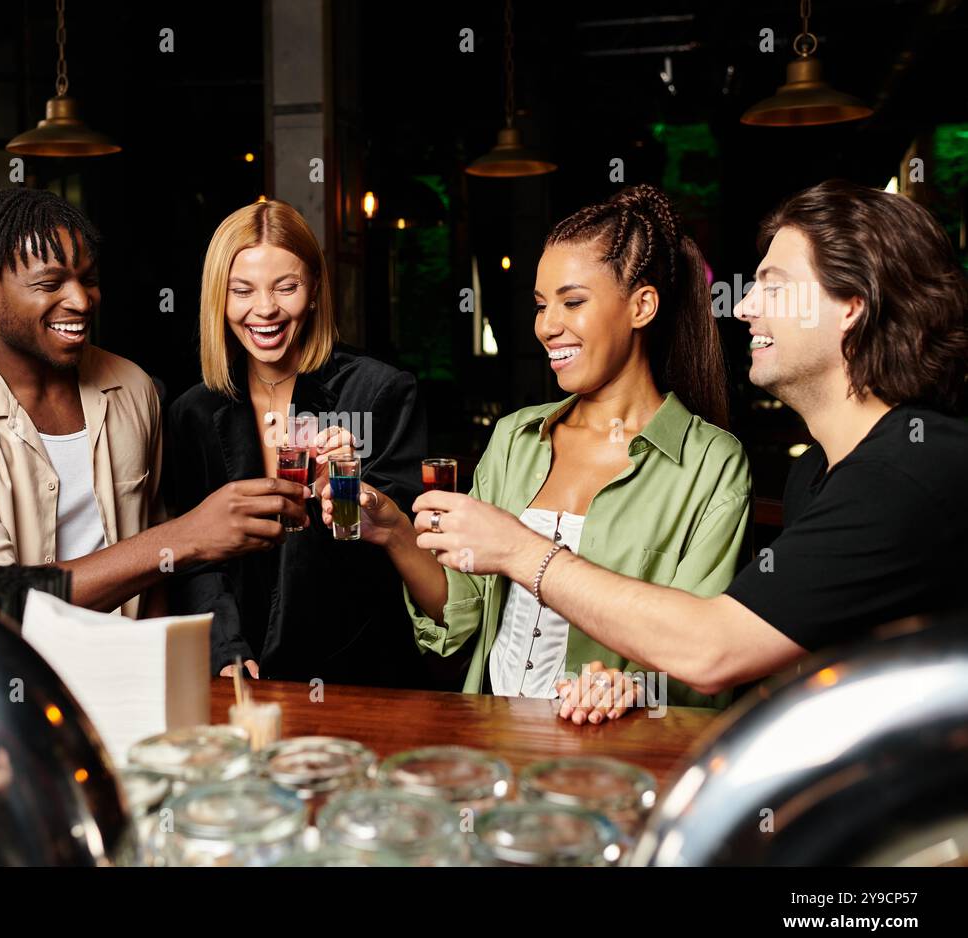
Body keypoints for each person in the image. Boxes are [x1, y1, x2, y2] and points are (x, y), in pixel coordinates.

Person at [407, 179, 968, 722]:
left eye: (772, 285)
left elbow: (713, 649)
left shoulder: (908, 470)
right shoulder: (819, 472)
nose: (743, 305)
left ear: (853, 305)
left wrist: (519, 551)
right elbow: (788, 664)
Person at [325, 185, 751, 707]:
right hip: (494, 741)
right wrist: (394, 533)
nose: (547, 327)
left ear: (641, 306)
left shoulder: (711, 465)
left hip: (618, 758)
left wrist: (635, 687)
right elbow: (463, 618)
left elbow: (703, 657)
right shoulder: (515, 439)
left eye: (572, 302)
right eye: (540, 305)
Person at [0, 187, 308, 618]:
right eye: (50, 283)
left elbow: (160, 574)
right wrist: (185, 536)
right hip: (18, 682)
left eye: (88, 279)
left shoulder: (133, 388)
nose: (81, 301)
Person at [164, 199, 430, 685]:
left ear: (313, 291)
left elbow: (411, 551)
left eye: (286, 287)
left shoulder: (379, 391)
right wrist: (224, 647)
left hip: (360, 673)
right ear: (217, 300)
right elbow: (192, 555)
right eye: (241, 290)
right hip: (242, 674)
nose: (264, 309)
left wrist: (346, 493)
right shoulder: (192, 413)